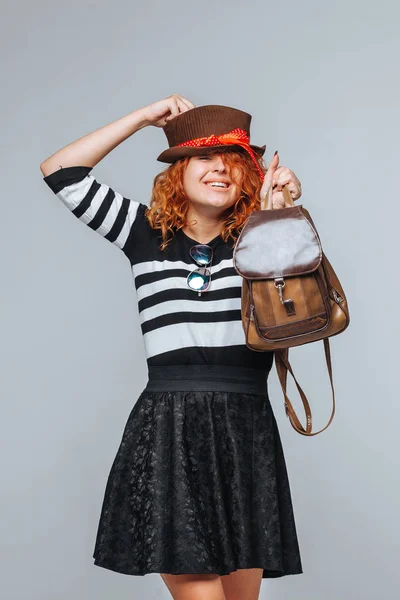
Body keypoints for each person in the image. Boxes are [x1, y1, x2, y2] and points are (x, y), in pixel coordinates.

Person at [40, 95, 304, 600]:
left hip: (246, 429)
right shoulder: (145, 233)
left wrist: (286, 214)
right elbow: (61, 171)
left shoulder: (259, 237)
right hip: (170, 429)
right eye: (205, 158)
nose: (220, 170)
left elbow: (300, 317)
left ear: (247, 176)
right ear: (177, 171)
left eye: (232, 161)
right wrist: (142, 118)